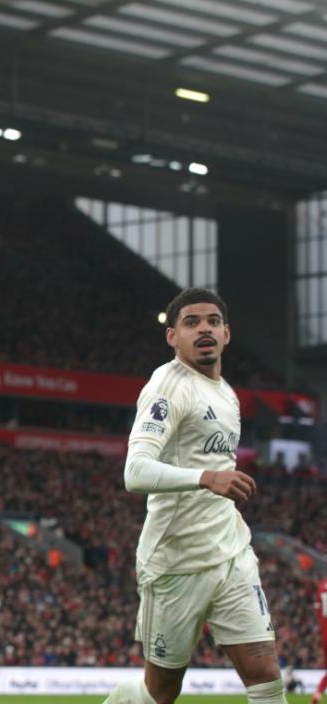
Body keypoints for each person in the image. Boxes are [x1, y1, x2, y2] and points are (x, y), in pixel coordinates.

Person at [104, 288, 285, 704]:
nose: (204, 329)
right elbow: (135, 471)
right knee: (161, 692)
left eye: (212, 322)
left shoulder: (227, 394)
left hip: (230, 552)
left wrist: (215, 482)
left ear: (226, 334)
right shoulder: (168, 386)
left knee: (265, 675)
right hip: (176, 562)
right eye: (191, 322)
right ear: (172, 336)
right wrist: (206, 478)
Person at [313, 575, 327, 704]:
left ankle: (318, 693)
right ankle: (318, 692)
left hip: (325, 634)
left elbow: (317, 610)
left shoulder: (322, 586)